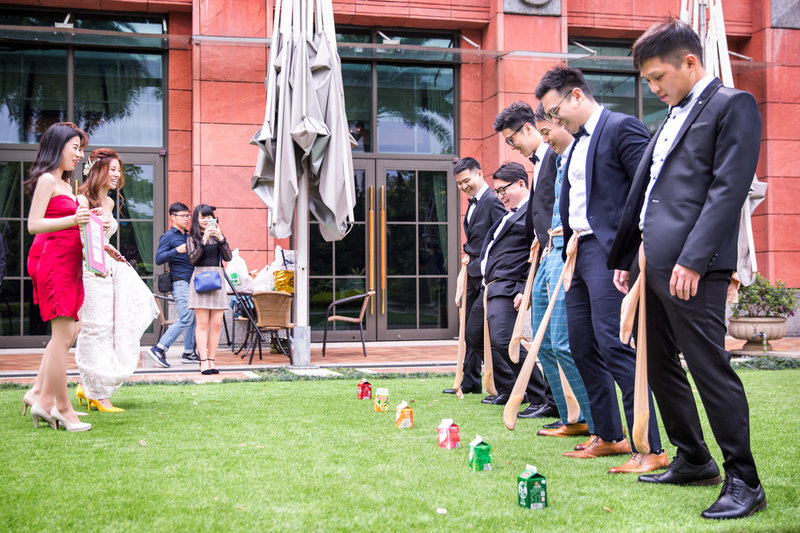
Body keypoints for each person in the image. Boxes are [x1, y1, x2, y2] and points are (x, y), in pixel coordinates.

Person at [608, 19, 765, 519]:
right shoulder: (670, 117)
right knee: (654, 362)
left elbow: (728, 188)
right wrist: (630, 259)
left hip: (694, 267)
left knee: (707, 367)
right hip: (653, 264)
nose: (653, 89)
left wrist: (694, 259)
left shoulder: (732, 105)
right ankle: (694, 457)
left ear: (690, 62)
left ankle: (745, 480)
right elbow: (652, 197)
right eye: (647, 81)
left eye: (658, 77)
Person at [535, 65, 666, 473]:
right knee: (581, 344)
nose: (555, 122)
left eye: (556, 113)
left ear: (576, 96)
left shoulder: (621, 128)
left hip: (611, 254)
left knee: (616, 345)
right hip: (577, 251)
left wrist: (630, 258)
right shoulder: (573, 147)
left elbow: (647, 192)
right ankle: (608, 435)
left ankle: (650, 447)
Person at [496, 101, 582, 422]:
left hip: (562, 253)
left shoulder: (558, 155)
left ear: (529, 128)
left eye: (511, 139)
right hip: (546, 253)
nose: (512, 146)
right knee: (544, 343)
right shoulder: (543, 160)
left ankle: (582, 416)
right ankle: (565, 412)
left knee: (560, 342)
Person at [74, 148, 159, 412]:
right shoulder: (80, 200)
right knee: (95, 327)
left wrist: (107, 247)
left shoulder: (109, 203)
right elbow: (73, 240)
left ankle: (86, 385)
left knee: (111, 327)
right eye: (112, 170)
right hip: (87, 270)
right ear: (97, 171)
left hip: (106, 269)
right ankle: (97, 393)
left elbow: (101, 239)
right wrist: (90, 231)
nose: (117, 175)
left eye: (119, 170)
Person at [23, 122, 91, 432]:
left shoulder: (67, 185)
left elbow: (73, 224)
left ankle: (42, 399)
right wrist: (73, 218)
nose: (79, 154)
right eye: (75, 148)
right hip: (53, 263)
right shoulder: (47, 180)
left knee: (66, 335)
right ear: (57, 147)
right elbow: (33, 225)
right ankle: (61, 407)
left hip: (71, 263)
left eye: (80, 148)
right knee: (62, 338)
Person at [465, 163, 549, 409]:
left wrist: (525, 288)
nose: (500, 196)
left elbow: (537, 252)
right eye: (498, 191)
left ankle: (539, 396)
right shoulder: (509, 213)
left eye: (504, 190)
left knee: (503, 340)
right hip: (488, 285)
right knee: (474, 335)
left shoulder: (532, 214)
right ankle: (510, 387)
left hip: (509, 285)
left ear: (521, 184)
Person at [442, 157, 506, 396]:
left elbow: (501, 239)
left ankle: (502, 383)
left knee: (482, 330)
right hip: (472, 271)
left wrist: (485, 266)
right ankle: (469, 381)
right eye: (459, 184)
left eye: (466, 180)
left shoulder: (492, 201)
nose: (463, 187)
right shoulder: (475, 203)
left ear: (480, 173)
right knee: (469, 326)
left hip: (486, 273)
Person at [148, 202, 199, 367]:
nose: (187, 219)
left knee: (194, 317)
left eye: (188, 215)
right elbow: (158, 259)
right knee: (186, 317)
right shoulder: (168, 237)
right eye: (183, 215)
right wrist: (177, 250)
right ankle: (159, 348)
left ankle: (189, 352)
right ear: (172, 217)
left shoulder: (190, 235)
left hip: (193, 282)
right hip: (180, 281)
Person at [187, 204, 232, 375]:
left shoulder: (219, 236)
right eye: (203, 217)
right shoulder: (192, 238)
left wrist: (221, 238)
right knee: (202, 324)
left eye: (209, 217)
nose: (206, 220)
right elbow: (193, 259)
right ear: (196, 220)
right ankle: (203, 361)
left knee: (217, 324)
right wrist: (204, 240)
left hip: (217, 279)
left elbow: (228, 257)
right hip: (200, 279)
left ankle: (212, 360)